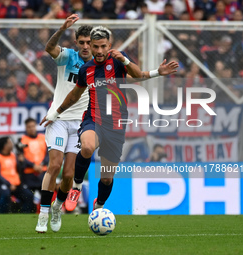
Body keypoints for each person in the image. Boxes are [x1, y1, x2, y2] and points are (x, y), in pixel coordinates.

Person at [41, 26, 178, 213]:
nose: (98, 51)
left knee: (106, 177)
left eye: (102, 46)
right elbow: (74, 96)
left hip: (115, 124)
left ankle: (99, 206)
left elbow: (137, 76)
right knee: (87, 147)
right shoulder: (86, 69)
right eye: (95, 46)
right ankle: (77, 186)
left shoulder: (118, 61)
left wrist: (149, 69)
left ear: (109, 46)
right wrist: (55, 114)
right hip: (93, 118)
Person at [35, 14, 92, 233]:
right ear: (76, 42)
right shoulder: (68, 57)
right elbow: (50, 47)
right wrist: (61, 28)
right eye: (82, 42)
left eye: (89, 42)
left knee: (68, 175)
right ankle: (43, 213)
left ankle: (58, 206)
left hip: (80, 124)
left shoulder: (99, 65)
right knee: (54, 165)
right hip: (57, 119)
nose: (86, 46)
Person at [0, 136, 34, 213]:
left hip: (15, 184)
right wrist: (8, 184)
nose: (12, 144)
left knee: (28, 195)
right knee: (5, 194)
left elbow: (20, 169)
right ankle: (3, 215)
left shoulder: (13, 155)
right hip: (0, 184)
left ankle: (24, 215)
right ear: (4, 146)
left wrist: (22, 162)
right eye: (10, 142)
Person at [19, 118, 48, 192]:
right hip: (29, 173)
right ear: (26, 128)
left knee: (45, 195)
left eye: (33, 126)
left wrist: (41, 164)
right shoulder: (22, 140)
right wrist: (33, 165)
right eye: (29, 127)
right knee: (30, 196)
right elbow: (21, 157)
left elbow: (48, 154)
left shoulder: (43, 138)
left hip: (42, 171)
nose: (31, 129)